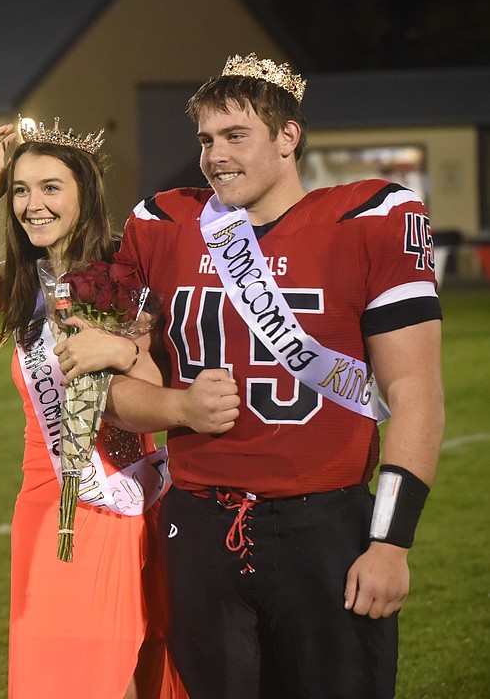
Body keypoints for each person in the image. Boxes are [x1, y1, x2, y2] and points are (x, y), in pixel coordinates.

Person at [108, 54, 445, 699]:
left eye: (236, 136)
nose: (215, 156)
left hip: (325, 527)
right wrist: (178, 407)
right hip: (201, 524)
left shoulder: (370, 218)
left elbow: (414, 394)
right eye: (206, 140)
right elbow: (112, 390)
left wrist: (391, 544)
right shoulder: (165, 224)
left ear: (288, 136)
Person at [0, 117, 187, 699]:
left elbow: (155, 396)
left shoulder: (125, 275)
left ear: (86, 193)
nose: (32, 204)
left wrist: (125, 349)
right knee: (62, 673)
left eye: (50, 187)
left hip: (122, 498)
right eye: (22, 189)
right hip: (46, 502)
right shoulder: (19, 280)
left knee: (133, 664)